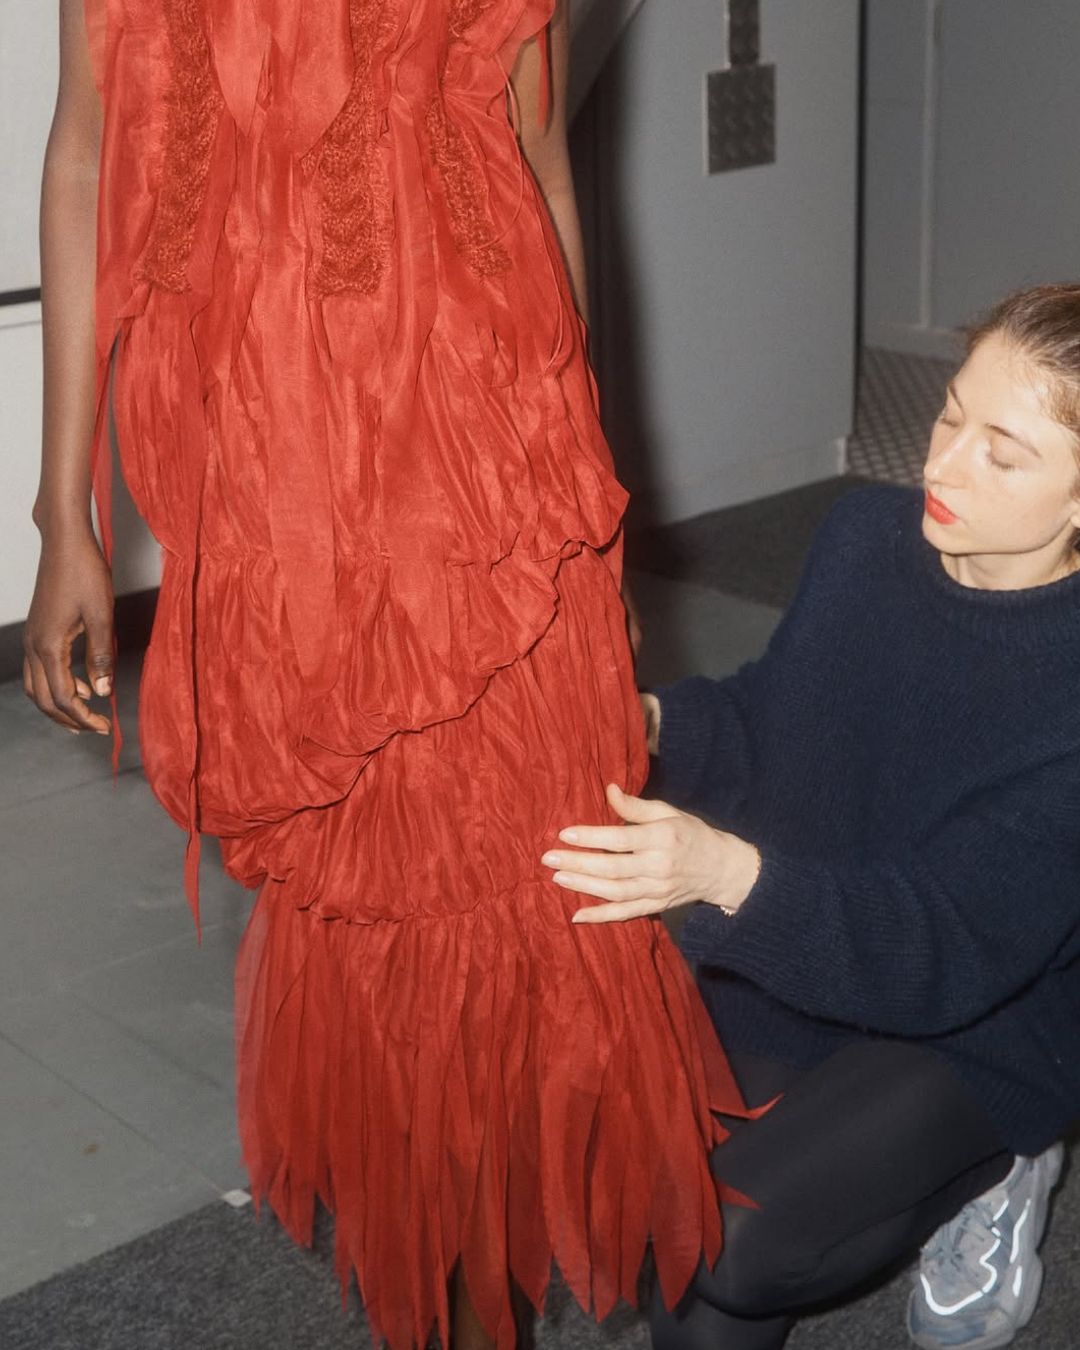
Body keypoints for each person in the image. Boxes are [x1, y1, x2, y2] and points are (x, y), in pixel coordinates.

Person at [22, 2, 750, 1347]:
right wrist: (60, 508)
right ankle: (435, 1268)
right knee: (359, 897)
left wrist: (584, 507)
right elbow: (82, 155)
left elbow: (536, 165)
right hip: (273, 481)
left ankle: (482, 1292)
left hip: (480, 459)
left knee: (512, 892)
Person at [542, 284, 1080, 1350]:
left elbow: (942, 942)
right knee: (665, 1227)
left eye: (1001, 454)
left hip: (980, 1007)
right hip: (810, 942)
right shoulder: (865, 539)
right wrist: (651, 726)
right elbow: (777, 721)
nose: (940, 466)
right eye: (948, 417)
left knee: (734, 1247)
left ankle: (999, 1163)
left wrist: (724, 874)